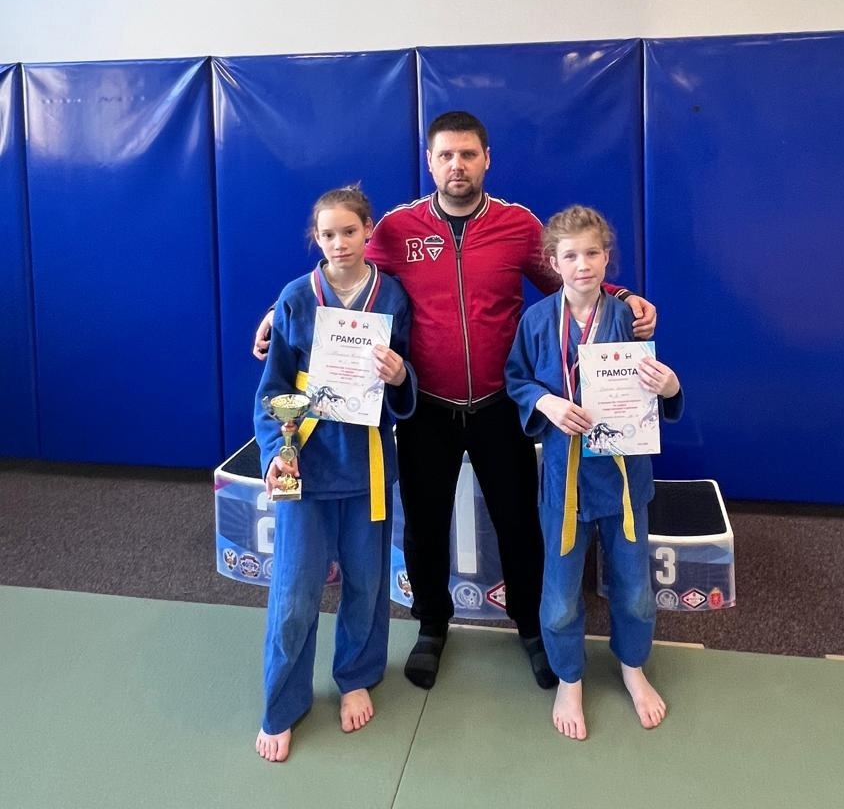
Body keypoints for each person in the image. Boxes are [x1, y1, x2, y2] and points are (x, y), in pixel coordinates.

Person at [254, 112, 656, 693]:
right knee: (424, 524)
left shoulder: (517, 225)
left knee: (519, 523)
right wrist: (277, 311)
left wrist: (627, 297)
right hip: (426, 406)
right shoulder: (398, 228)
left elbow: (570, 277)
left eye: (468, 154)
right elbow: (340, 264)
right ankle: (431, 626)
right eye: (445, 155)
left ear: (486, 158)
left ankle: (531, 627)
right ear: (430, 161)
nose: (457, 165)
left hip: (500, 403)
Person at [504, 205, 683, 742]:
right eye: (571, 255)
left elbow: (654, 387)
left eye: (592, 253)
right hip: (564, 481)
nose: (582, 265)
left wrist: (671, 386)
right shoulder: (537, 321)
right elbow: (516, 379)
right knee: (560, 597)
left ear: (608, 258)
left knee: (634, 590)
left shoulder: (631, 317)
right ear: (552, 262)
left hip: (625, 478)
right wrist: (547, 403)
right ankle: (569, 678)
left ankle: (633, 667)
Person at [253, 186, 416, 763]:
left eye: (349, 231)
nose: (340, 243)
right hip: (305, 462)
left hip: (366, 463)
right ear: (315, 239)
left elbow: (407, 378)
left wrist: (400, 375)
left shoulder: (391, 295)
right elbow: (273, 388)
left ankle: (355, 677)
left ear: (369, 230)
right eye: (328, 234)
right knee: (295, 594)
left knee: (367, 585)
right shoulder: (296, 297)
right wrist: (274, 451)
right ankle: (282, 704)